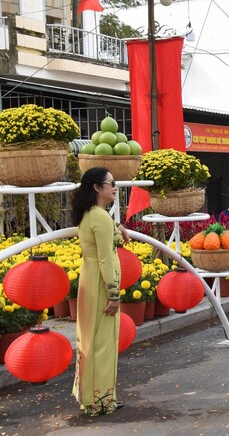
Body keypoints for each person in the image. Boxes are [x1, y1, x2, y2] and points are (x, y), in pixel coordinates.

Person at [71, 167, 129, 415]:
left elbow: (102, 234)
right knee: (103, 342)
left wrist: (117, 226)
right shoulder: (101, 217)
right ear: (97, 187)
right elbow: (106, 258)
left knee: (90, 340)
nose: (115, 187)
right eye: (111, 183)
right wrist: (114, 295)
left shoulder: (90, 214)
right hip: (101, 283)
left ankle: (91, 397)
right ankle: (102, 400)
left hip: (90, 279)